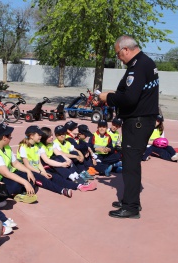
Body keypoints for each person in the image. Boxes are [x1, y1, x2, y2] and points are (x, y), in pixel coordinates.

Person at [98, 35, 159, 219]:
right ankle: (130, 200)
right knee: (131, 163)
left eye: (118, 54)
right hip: (140, 121)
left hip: (138, 123)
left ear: (126, 49)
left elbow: (130, 98)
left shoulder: (138, 66)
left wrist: (108, 97)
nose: (118, 58)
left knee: (130, 165)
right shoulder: (144, 63)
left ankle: (131, 207)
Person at [17, 125, 95, 196]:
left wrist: (43, 171)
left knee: (56, 175)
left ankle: (79, 185)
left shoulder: (37, 146)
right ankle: (63, 190)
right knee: (47, 180)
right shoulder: (23, 147)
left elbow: (38, 162)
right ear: (31, 136)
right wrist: (42, 172)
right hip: (28, 171)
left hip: (39, 169)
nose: (40, 136)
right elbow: (27, 165)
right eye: (39, 135)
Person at [0, 123, 38, 204]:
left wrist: (28, 171)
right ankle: (15, 194)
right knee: (17, 185)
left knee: (29, 178)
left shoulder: (5, 146)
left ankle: (19, 193)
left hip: (5, 176)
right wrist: (25, 183)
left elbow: (16, 163)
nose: (11, 138)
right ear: (4, 138)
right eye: (10, 136)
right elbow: (6, 173)